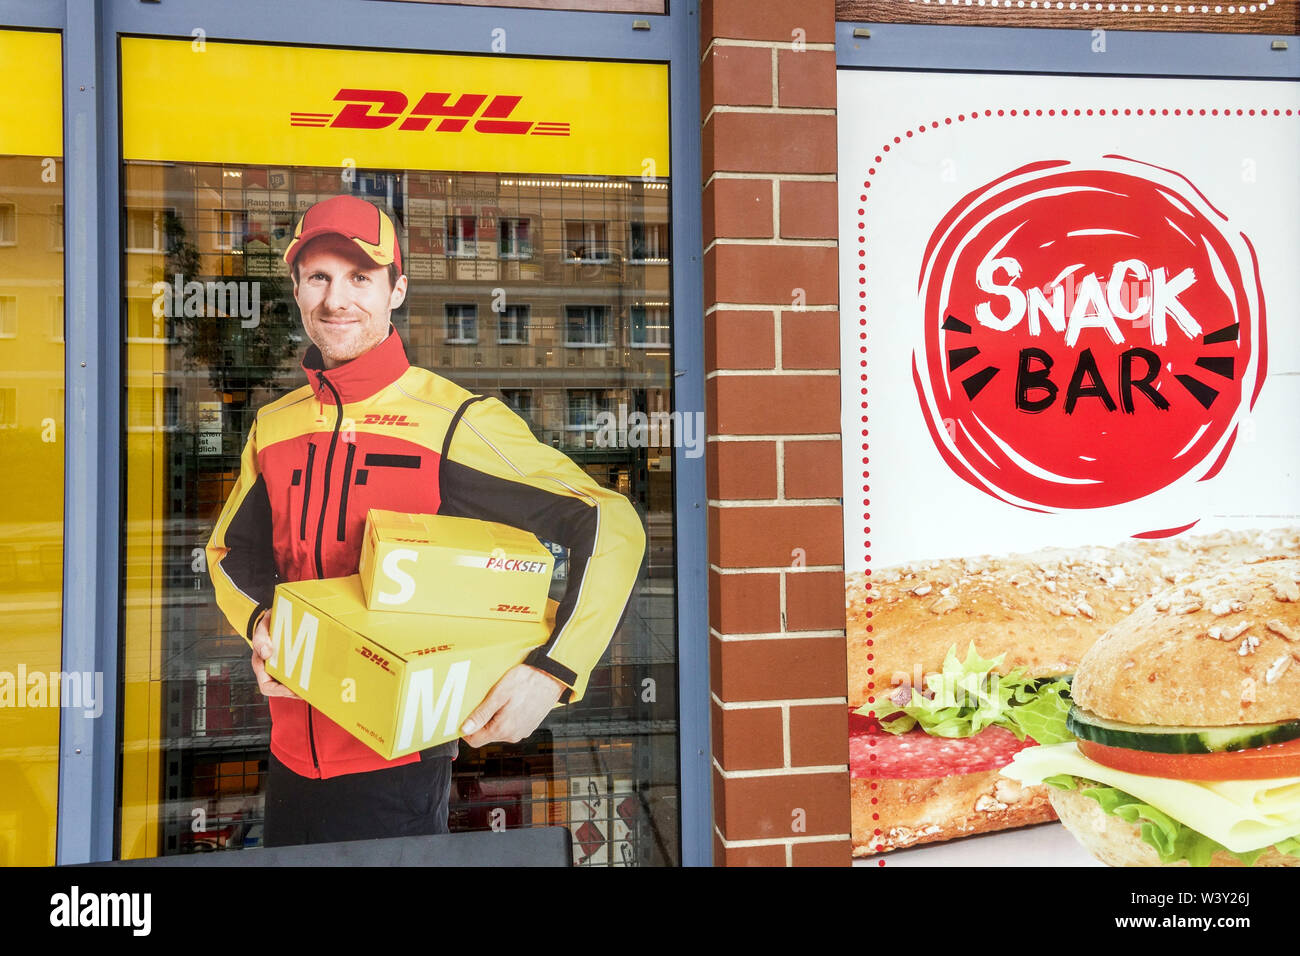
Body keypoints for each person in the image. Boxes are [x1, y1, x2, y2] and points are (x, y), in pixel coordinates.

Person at [206, 194, 646, 847]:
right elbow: (229, 553)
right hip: (291, 754)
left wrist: (552, 671)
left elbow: (610, 521)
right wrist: (262, 624)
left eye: (361, 276)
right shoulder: (274, 426)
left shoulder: (454, 423)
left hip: (399, 768)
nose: (337, 298)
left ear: (397, 289)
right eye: (320, 276)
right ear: (296, 287)